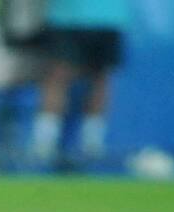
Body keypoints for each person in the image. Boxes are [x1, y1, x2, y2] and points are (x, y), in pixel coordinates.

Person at [31, 0, 130, 165]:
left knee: (100, 80)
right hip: (66, 18)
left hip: (108, 18)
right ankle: (43, 146)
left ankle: (92, 147)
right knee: (57, 78)